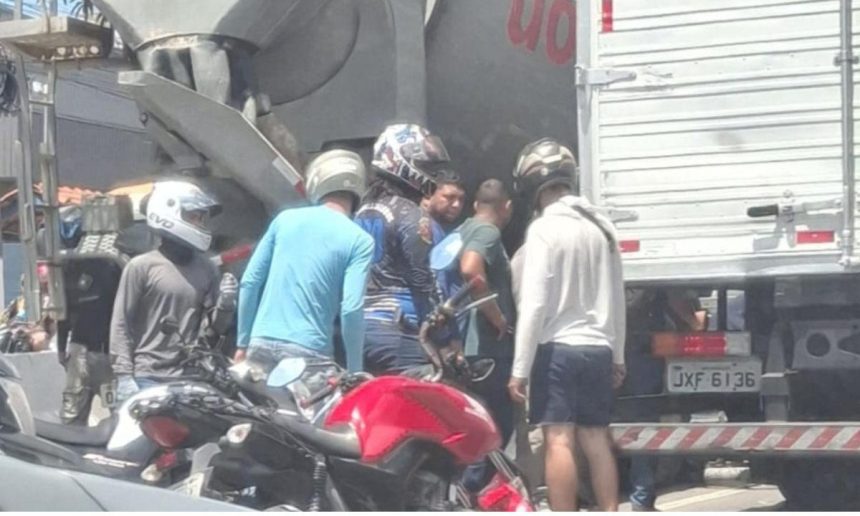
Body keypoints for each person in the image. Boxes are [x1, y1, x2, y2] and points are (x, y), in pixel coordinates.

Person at [508, 138, 626, 512]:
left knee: (559, 440)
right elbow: (617, 298)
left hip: (557, 348)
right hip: (599, 348)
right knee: (596, 438)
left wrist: (520, 369)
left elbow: (534, 303)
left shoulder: (544, 229)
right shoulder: (603, 228)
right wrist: (618, 356)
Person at [235, 149, 373, 384]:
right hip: (309, 353)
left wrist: (242, 343)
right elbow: (351, 309)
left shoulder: (285, 220)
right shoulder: (360, 240)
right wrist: (355, 371)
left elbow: (249, 282)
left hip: (261, 342)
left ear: (318, 181)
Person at [110, 180, 234, 404]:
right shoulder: (141, 266)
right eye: (193, 217)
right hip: (148, 377)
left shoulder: (207, 268)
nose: (200, 224)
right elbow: (121, 323)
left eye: (202, 218)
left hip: (191, 376)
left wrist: (225, 306)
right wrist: (124, 375)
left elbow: (213, 331)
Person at [356, 124, 454, 375]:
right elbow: (427, 283)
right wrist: (445, 340)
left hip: (360, 328)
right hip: (400, 330)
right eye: (425, 166)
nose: (432, 174)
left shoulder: (363, 211)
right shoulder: (412, 216)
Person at [456, 179, 516, 489]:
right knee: (495, 428)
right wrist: (498, 318)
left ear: (475, 204)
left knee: (476, 423)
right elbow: (471, 269)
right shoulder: (487, 232)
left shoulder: (462, 229)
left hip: (467, 346)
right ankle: (473, 494)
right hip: (488, 348)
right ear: (507, 207)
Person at [422, 170, 466, 238]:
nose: (457, 205)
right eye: (450, 197)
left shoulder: (445, 234)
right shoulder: (420, 226)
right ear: (431, 194)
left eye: (461, 200)